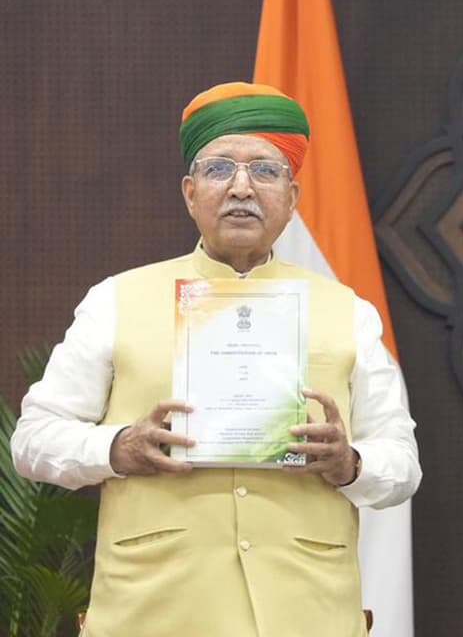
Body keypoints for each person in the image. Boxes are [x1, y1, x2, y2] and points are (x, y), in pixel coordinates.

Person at [11, 82, 421, 637]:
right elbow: (33, 440)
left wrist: (349, 464)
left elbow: (402, 463)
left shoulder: (348, 311)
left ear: (293, 198)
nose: (242, 188)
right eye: (219, 169)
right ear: (189, 191)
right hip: (155, 610)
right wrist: (118, 447)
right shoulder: (116, 298)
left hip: (306, 611)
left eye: (266, 171)